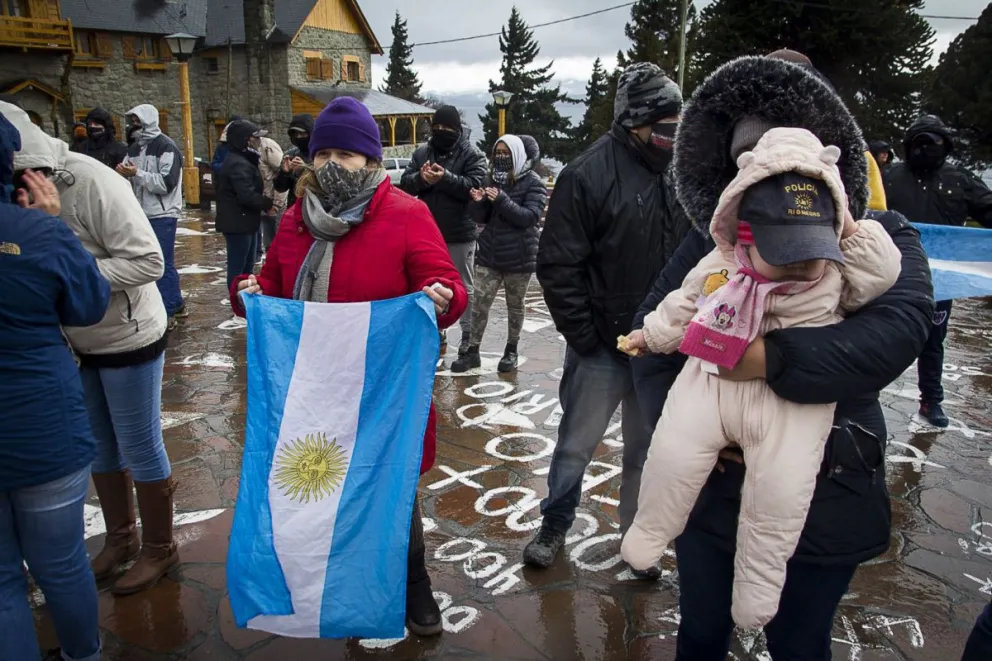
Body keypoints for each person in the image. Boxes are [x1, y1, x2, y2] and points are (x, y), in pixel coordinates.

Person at [630, 55, 933, 660]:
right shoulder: (716, 234)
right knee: (700, 635)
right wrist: (705, 423)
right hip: (716, 490)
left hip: (829, 480)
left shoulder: (879, 234)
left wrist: (766, 359)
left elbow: (897, 334)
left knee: (799, 642)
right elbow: (656, 337)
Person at [230, 97, 468, 636]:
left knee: (390, 495)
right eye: (326, 153)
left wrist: (440, 298)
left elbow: (451, 289)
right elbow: (272, 286)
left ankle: (413, 583)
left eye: (348, 154)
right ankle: (326, 585)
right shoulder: (296, 218)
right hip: (311, 394)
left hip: (380, 394)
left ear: (372, 160)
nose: (335, 164)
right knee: (313, 495)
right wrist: (249, 293)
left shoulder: (407, 213)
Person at [523, 62, 690, 573]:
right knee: (576, 443)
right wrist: (588, 337)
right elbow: (558, 264)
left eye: (677, 122)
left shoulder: (683, 172)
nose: (671, 133)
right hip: (603, 345)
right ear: (634, 120)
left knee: (647, 451)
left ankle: (637, 541)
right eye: (662, 123)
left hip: (662, 345)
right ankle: (555, 522)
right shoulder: (586, 173)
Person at [3, 100, 175, 596]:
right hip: (74, 341)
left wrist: (61, 267)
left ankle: (161, 547)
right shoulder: (11, 187)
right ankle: (121, 539)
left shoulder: (92, 180)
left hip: (127, 333)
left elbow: (148, 262)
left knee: (139, 443)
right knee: (100, 442)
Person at [0, 109, 109, 661]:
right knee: (62, 565)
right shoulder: (37, 231)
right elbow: (87, 306)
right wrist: (49, 225)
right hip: (42, 424)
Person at [882, 114, 992, 428]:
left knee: (932, 342)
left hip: (939, 282)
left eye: (934, 142)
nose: (926, 149)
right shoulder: (889, 177)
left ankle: (931, 401)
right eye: (920, 142)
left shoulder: (960, 179)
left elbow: (987, 209)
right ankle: (861, 395)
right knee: (876, 334)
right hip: (890, 274)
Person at [452, 134, 547, 373]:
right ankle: (472, 351)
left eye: (506, 153)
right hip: (490, 254)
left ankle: (511, 350)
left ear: (516, 155)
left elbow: (530, 217)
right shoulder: (490, 178)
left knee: (515, 306)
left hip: (519, 256)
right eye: (498, 153)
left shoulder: (534, 182)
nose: (501, 157)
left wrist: (502, 199)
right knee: (480, 305)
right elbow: (483, 217)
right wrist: (477, 203)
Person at [400, 105, 488, 356]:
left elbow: (476, 186)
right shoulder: (422, 153)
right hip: (426, 233)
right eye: (437, 128)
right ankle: (436, 332)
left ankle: (468, 335)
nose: (442, 132)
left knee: (464, 286)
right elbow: (405, 184)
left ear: (458, 130)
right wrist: (421, 179)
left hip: (459, 231)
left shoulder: (472, 155)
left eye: (447, 128)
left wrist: (445, 178)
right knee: (428, 286)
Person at [117, 104, 186, 329]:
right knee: (154, 260)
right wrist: (123, 174)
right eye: (132, 121)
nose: (133, 125)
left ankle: (167, 311)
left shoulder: (167, 147)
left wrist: (137, 173)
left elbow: (167, 183)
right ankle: (175, 303)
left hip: (163, 213)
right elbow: (132, 176)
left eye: (137, 121)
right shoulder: (136, 148)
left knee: (162, 263)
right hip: (142, 212)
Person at [216, 120, 273, 293]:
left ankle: (244, 300)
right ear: (245, 140)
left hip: (246, 221)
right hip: (237, 222)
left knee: (247, 265)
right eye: (254, 138)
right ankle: (236, 301)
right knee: (238, 266)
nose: (258, 142)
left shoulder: (243, 159)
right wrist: (267, 203)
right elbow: (246, 195)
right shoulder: (237, 163)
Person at [273, 113, 314, 210]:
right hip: (295, 208)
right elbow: (280, 188)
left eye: (302, 134)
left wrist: (305, 168)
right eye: (296, 134)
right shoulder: (291, 154)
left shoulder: (321, 154)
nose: (299, 137)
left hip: (318, 208)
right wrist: (284, 173)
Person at [258, 132, 286, 254]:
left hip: (276, 201)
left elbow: (282, 176)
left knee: (281, 240)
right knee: (269, 243)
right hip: (262, 202)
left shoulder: (267, 147)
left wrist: (276, 204)